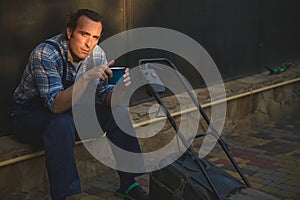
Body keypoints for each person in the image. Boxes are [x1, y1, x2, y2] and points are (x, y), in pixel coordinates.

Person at [11, 9, 149, 200]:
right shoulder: (45, 54)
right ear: (70, 32)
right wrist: (86, 79)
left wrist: (122, 90)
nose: (89, 43)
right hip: (28, 115)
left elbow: (105, 98)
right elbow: (55, 105)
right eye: (84, 34)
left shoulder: (97, 54)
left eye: (95, 37)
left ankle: (128, 183)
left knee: (118, 112)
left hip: (67, 111)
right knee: (61, 124)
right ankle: (65, 195)